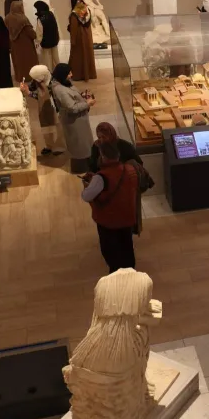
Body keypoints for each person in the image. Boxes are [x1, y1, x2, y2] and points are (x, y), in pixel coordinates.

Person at [81, 141, 138, 272]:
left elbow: (86, 196)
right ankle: (130, 273)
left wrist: (87, 185)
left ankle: (117, 279)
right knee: (127, 247)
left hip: (108, 221)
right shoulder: (130, 169)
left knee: (112, 253)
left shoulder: (100, 178)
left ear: (103, 157)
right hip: (127, 217)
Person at [48, 63, 95, 173]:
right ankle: (81, 169)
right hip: (74, 122)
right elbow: (72, 108)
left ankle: (87, 165)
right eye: (69, 73)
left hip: (79, 120)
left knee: (84, 143)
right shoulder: (60, 89)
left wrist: (81, 96)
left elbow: (72, 96)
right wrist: (88, 103)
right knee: (79, 145)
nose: (71, 75)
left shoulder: (63, 83)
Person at [20, 65, 64, 157]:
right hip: (44, 109)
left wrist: (29, 93)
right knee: (46, 128)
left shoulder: (55, 83)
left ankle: (59, 146)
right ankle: (49, 145)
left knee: (58, 128)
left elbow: (42, 97)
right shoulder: (38, 79)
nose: (34, 80)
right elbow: (32, 87)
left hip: (56, 108)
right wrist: (25, 88)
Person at [5, 1, 39, 83]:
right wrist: (36, 35)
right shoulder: (23, 19)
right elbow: (31, 33)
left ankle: (19, 77)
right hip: (26, 45)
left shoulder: (7, 18)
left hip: (14, 45)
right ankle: (29, 77)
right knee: (28, 61)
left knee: (18, 61)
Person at [67, 0, 97, 82]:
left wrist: (73, 40)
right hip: (87, 36)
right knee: (87, 54)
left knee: (78, 55)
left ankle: (78, 75)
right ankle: (90, 74)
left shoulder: (74, 13)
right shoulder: (87, 9)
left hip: (79, 37)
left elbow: (74, 28)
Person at [33, 1, 60, 70]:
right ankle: (58, 71)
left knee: (47, 60)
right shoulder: (51, 14)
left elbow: (39, 33)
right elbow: (56, 27)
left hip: (46, 42)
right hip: (54, 40)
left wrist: (37, 42)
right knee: (55, 58)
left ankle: (49, 73)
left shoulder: (40, 18)